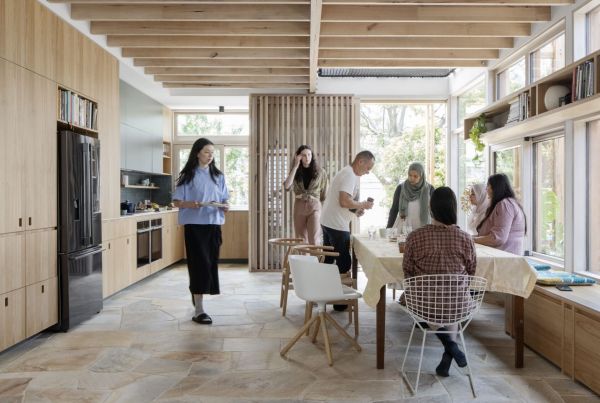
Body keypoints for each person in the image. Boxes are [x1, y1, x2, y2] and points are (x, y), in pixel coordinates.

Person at [402, 187, 477, 377]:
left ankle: (450, 346)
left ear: (430, 207)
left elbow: (408, 272)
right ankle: (450, 348)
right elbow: (471, 271)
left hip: (424, 303)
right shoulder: (466, 238)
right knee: (450, 301)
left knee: (427, 301)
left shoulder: (415, 237)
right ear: (454, 208)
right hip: (458, 303)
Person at [172, 138, 229, 325]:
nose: (210, 155)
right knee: (198, 265)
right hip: (194, 226)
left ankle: (198, 299)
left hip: (213, 225)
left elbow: (224, 199)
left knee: (210, 265)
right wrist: (191, 204)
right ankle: (199, 310)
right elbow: (177, 202)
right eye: (206, 152)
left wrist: (225, 205)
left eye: (212, 152)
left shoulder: (218, 176)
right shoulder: (187, 175)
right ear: (197, 153)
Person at [320, 151, 375, 310]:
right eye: (368, 167)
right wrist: (362, 204)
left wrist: (356, 210)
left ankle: (322, 295)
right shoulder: (350, 175)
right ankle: (340, 302)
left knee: (329, 260)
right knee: (344, 262)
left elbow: (343, 202)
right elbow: (344, 201)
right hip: (336, 224)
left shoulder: (347, 172)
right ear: (360, 162)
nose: (368, 171)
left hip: (329, 221)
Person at [283, 145, 328, 245]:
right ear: (298, 157)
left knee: (315, 239)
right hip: (299, 205)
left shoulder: (321, 172)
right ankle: (304, 261)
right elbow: (287, 186)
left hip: (315, 206)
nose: (307, 157)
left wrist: (317, 202)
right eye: (303, 155)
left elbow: (324, 194)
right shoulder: (295, 172)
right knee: (301, 239)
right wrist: (295, 166)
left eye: (309, 154)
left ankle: (316, 260)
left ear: (312, 156)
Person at [474, 173, 526, 255]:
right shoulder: (506, 203)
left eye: (488, 186)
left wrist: (472, 240)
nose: (486, 189)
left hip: (504, 258)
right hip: (501, 255)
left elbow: (498, 238)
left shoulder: (505, 204)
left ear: (495, 187)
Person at [387, 162, 435, 231]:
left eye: (415, 176)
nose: (412, 178)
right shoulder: (401, 188)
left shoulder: (430, 189)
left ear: (421, 176)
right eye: (410, 175)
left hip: (423, 229)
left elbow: (434, 211)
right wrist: (388, 228)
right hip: (404, 228)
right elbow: (394, 210)